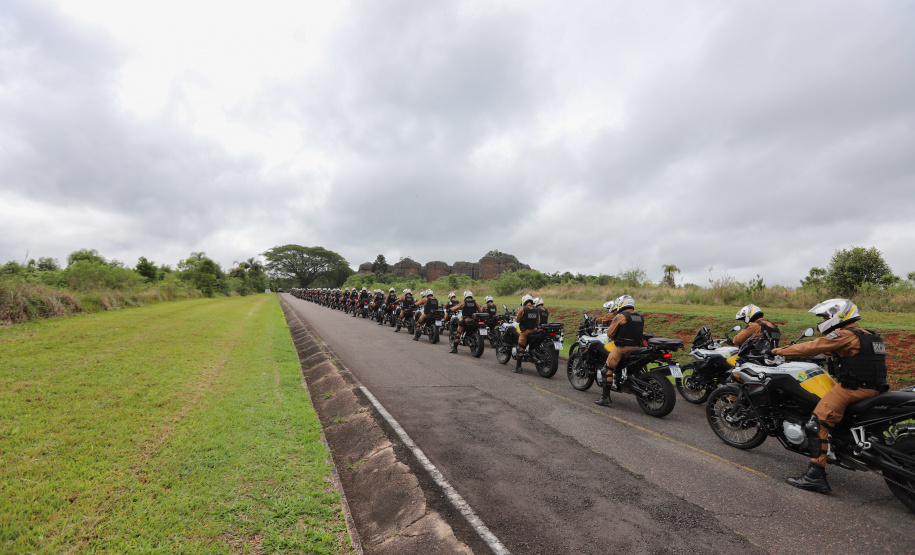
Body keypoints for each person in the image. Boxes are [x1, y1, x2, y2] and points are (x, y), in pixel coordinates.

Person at [770, 299, 887, 494]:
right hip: (876, 389)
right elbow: (853, 357)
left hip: (852, 389)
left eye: (825, 316)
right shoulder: (869, 336)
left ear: (838, 315)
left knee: (816, 424)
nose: (823, 320)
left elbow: (811, 346)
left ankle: (815, 475)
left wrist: (778, 351)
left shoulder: (844, 334)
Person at [595, 295, 644, 406]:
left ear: (622, 304)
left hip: (622, 348)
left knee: (607, 368)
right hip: (637, 348)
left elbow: (610, 333)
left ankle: (605, 397)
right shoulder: (640, 317)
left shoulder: (621, 316)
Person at [513, 294, 541, 372]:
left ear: (524, 301)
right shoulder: (536, 309)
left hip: (525, 332)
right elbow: (538, 321)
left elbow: (517, 320)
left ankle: (518, 368)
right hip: (535, 332)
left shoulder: (523, 309)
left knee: (521, 348)